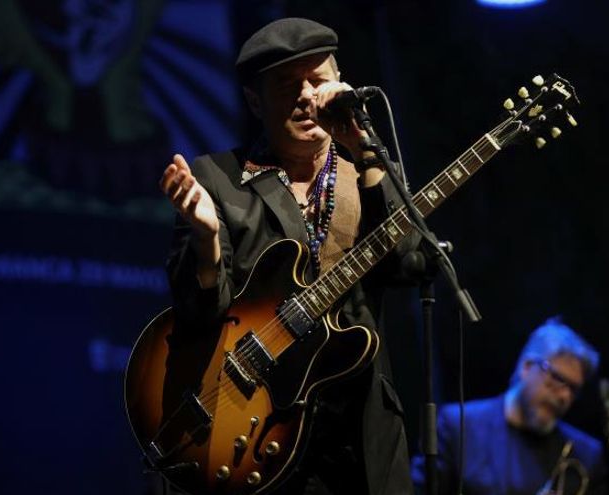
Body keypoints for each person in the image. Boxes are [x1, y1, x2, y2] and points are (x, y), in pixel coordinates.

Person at [159, 17, 419, 495]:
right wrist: (206, 241)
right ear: (255, 102)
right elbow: (195, 317)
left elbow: (407, 264)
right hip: (255, 428)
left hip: (359, 433)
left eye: (318, 82)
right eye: (287, 86)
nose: (306, 96)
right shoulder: (217, 178)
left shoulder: (370, 174)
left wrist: (367, 154)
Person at [413, 316, 609, 495]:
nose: (565, 396)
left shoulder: (586, 455)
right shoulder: (459, 426)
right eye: (557, 378)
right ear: (526, 367)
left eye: (573, 389)